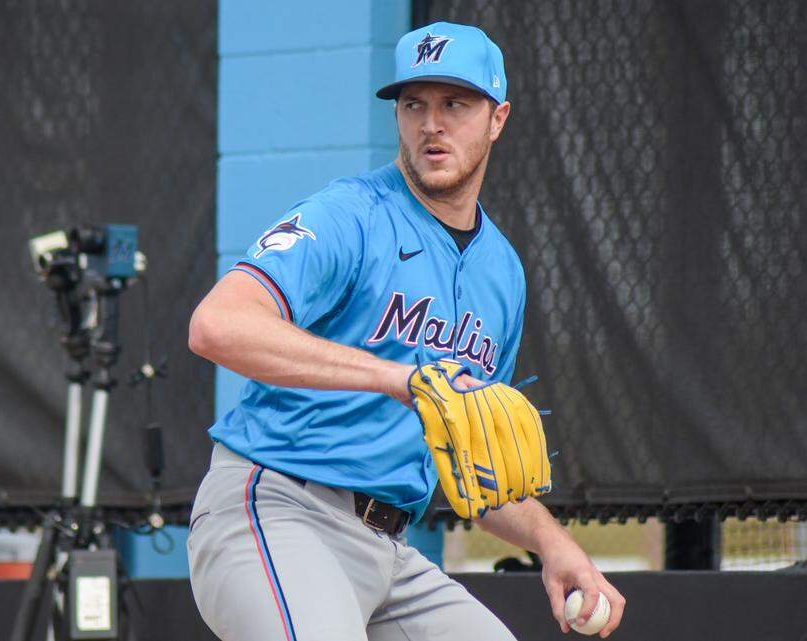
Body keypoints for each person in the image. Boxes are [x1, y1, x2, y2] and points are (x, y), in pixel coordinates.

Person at [185, 21, 625, 641]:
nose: (431, 123)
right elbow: (216, 325)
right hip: (279, 507)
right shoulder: (349, 215)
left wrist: (555, 544)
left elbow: (476, 458)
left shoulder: (502, 273)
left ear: (498, 118)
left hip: (388, 549)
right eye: (413, 103)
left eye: (455, 103)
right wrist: (399, 378)